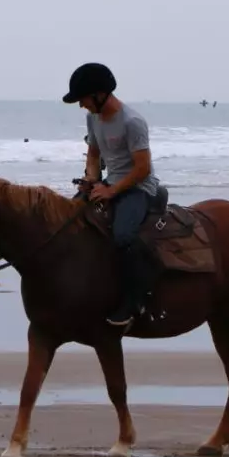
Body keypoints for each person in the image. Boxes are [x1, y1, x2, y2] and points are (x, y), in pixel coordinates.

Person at [63, 62, 161, 327]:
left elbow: (142, 169)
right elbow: (94, 154)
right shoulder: (92, 117)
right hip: (109, 183)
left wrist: (111, 190)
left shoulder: (132, 122)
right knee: (66, 222)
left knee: (123, 236)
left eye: (82, 99)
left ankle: (136, 300)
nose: (81, 105)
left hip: (138, 188)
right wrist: (91, 180)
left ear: (99, 94)